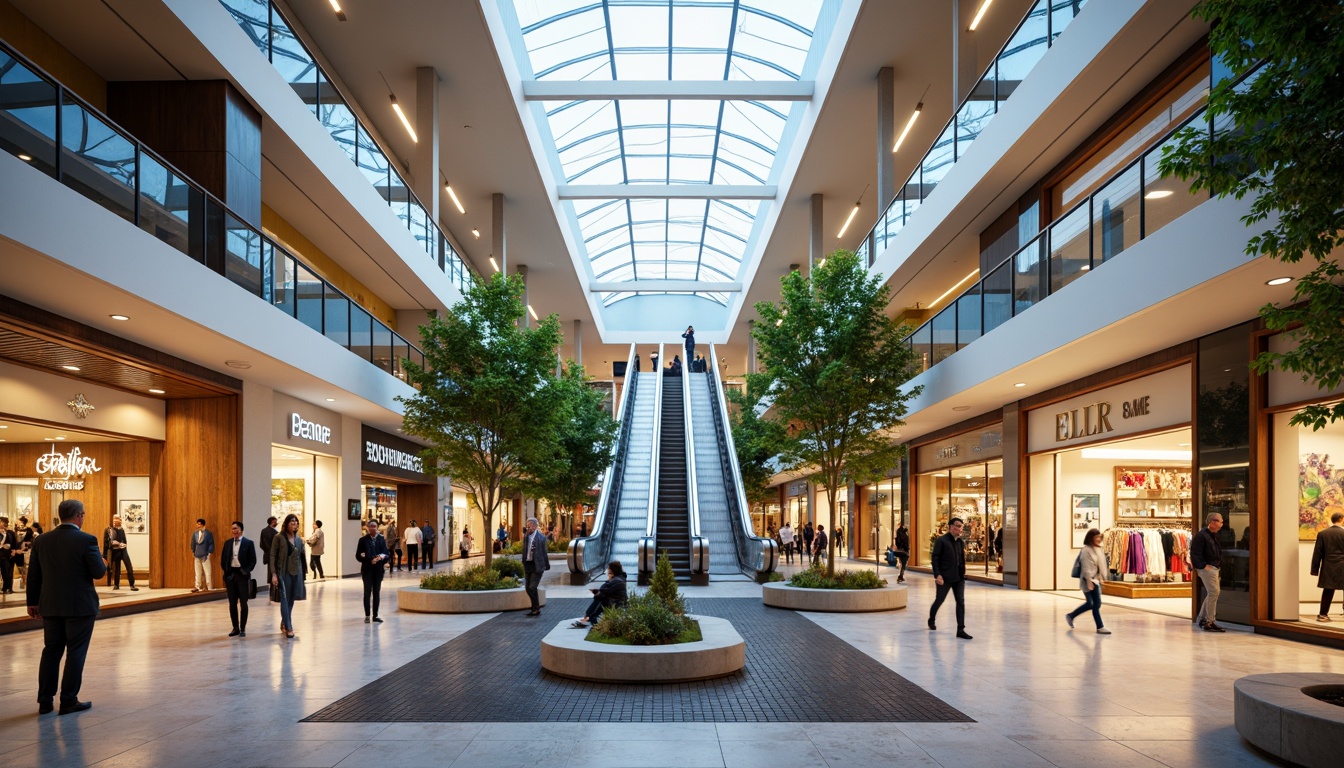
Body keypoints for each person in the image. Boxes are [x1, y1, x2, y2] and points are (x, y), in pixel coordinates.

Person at [27, 499, 105, 715]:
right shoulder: (87, 540)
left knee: (51, 651)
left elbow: (34, 574)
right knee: (75, 652)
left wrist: (32, 602)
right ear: (79, 515)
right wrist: (102, 561)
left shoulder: (42, 540)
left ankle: (45, 701)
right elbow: (98, 572)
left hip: (50, 605)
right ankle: (68, 700)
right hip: (80, 607)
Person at [929, 517, 972, 640]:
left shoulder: (960, 542)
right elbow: (935, 559)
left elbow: (961, 560)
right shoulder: (941, 541)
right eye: (957, 526)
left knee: (961, 602)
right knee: (940, 600)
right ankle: (931, 619)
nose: (959, 528)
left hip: (958, 578)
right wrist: (937, 574)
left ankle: (960, 629)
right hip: (944, 577)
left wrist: (963, 575)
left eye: (961, 526)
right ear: (951, 526)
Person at [1065, 528, 1111, 634]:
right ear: (1091, 538)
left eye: (1100, 537)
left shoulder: (1099, 549)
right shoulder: (1086, 550)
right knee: (1096, 603)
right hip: (1088, 580)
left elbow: (1101, 565)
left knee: (1091, 604)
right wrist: (1089, 581)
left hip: (1095, 579)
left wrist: (1101, 577)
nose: (1099, 539)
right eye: (1097, 537)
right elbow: (1086, 568)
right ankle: (1100, 627)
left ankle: (1071, 616)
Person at [269, 514, 306, 639]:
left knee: (291, 599)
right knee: (284, 598)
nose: (294, 523)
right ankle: (289, 627)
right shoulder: (278, 537)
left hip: (296, 572)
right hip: (283, 572)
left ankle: (285, 621)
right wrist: (274, 574)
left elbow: (301, 557)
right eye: (292, 521)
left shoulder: (299, 540)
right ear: (286, 523)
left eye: (296, 521)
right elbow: (272, 556)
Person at [221, 521, 256, 638]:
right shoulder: (227, 543)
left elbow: (253, 560)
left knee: (244, 603)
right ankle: (235, 627)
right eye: (232, 529)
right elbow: (223, 559)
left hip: (242, 575)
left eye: (236, 528)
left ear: (241, 529)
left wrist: (246, 571)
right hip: (231, 575)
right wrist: (227, 573)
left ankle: (243, 628)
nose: (234, 531)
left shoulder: (249, 543)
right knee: (232, 603)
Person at [1191, 512, 1225, 632]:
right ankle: (1210, 621)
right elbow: (1195, 553)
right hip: (1208, 569)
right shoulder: (1202, 536)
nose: (1221, 524)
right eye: (1220, 521)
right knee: (1214, 592)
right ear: (1212, 522)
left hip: (1213, 568)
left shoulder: (1213, 535)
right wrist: (1203, 566)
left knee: (1212, 593)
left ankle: (1203, 619)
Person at [572, 561, 628, 628]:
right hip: (616, 602)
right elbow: (605, 591)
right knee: (599, 598)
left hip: (616, 604)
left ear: (612, 570)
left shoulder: (616, 580)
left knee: (599, 599)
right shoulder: (620, 578)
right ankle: (588, 617)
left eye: (608, 569)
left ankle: (589, 617)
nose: (607, 570)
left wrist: (608, 580)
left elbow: (603, 589)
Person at [1310, 511, 1344, 622]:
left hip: (1328, 566)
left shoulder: (1323, 534)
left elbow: (1317, 553)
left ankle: (1323, 614)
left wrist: (1314, 570)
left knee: (1328, 590)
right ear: (1341, 519)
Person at [356, 519, 390, 623]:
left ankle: (375, 615)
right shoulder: (363, 540)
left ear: (377, 527)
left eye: (374, 526)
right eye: (370, 526)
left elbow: (386, 554)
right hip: (367, 570)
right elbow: (358, 555)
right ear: (367, 528)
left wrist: (380, 558)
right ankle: (367, 615)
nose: (372, 528)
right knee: (367, 592)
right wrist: (368, 559)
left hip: (378, 570)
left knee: (376, 592)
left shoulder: (381, 539)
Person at [520, 517, 549, 616]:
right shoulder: (526, 537)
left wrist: (546, 564)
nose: (530, 526)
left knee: (532, 587)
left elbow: (544, 552)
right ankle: (535, 608)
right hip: (528, 564)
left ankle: (535, 608)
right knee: (528, 588)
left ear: (536, 526)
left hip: (537, 565)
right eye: (528, 524)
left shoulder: (541, 538)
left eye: (532, 524)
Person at [102, 515, 137, 591]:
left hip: (123, 550)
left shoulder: (121, 530)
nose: (116, 522)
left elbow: (124, 541)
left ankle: (132, 584)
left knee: (129, 567)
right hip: (115, 551)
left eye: (118, 520)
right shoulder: (109, 530)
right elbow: (107, 543)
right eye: (114, 520)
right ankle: (116, 585)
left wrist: (122, 544)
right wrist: (105, 556)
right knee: (117, 569)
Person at [189, 518, 214, 592]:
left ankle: (209, 587)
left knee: (207, 572)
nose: (197, 526)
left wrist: (209, 552)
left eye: (199, 524)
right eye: (197, 524)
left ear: (203, 525)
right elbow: (193, 543)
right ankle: (197, 586)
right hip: (197, 555)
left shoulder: (208, 534)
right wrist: (193, 551)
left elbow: (211, 543)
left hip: (205, 555)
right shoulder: (195, 534)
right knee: (198, 572)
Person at [259, 516, 278, 580]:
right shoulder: (275, 533)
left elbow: (261, 544)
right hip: (274, 555)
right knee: (274, 571)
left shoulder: (263, 531)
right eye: (274, 522)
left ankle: (271, 586)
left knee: (270, 571)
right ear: (271, 522)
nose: (276, 523)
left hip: (267, 554)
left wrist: (266, 551)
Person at [0, 516, 16, 594]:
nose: (4, 524)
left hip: (7, 555)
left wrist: (14, 550)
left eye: (5, 523)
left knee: (7, 572)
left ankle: (7, 588)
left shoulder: (10, 533)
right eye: (2, 522)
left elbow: (14, 543)